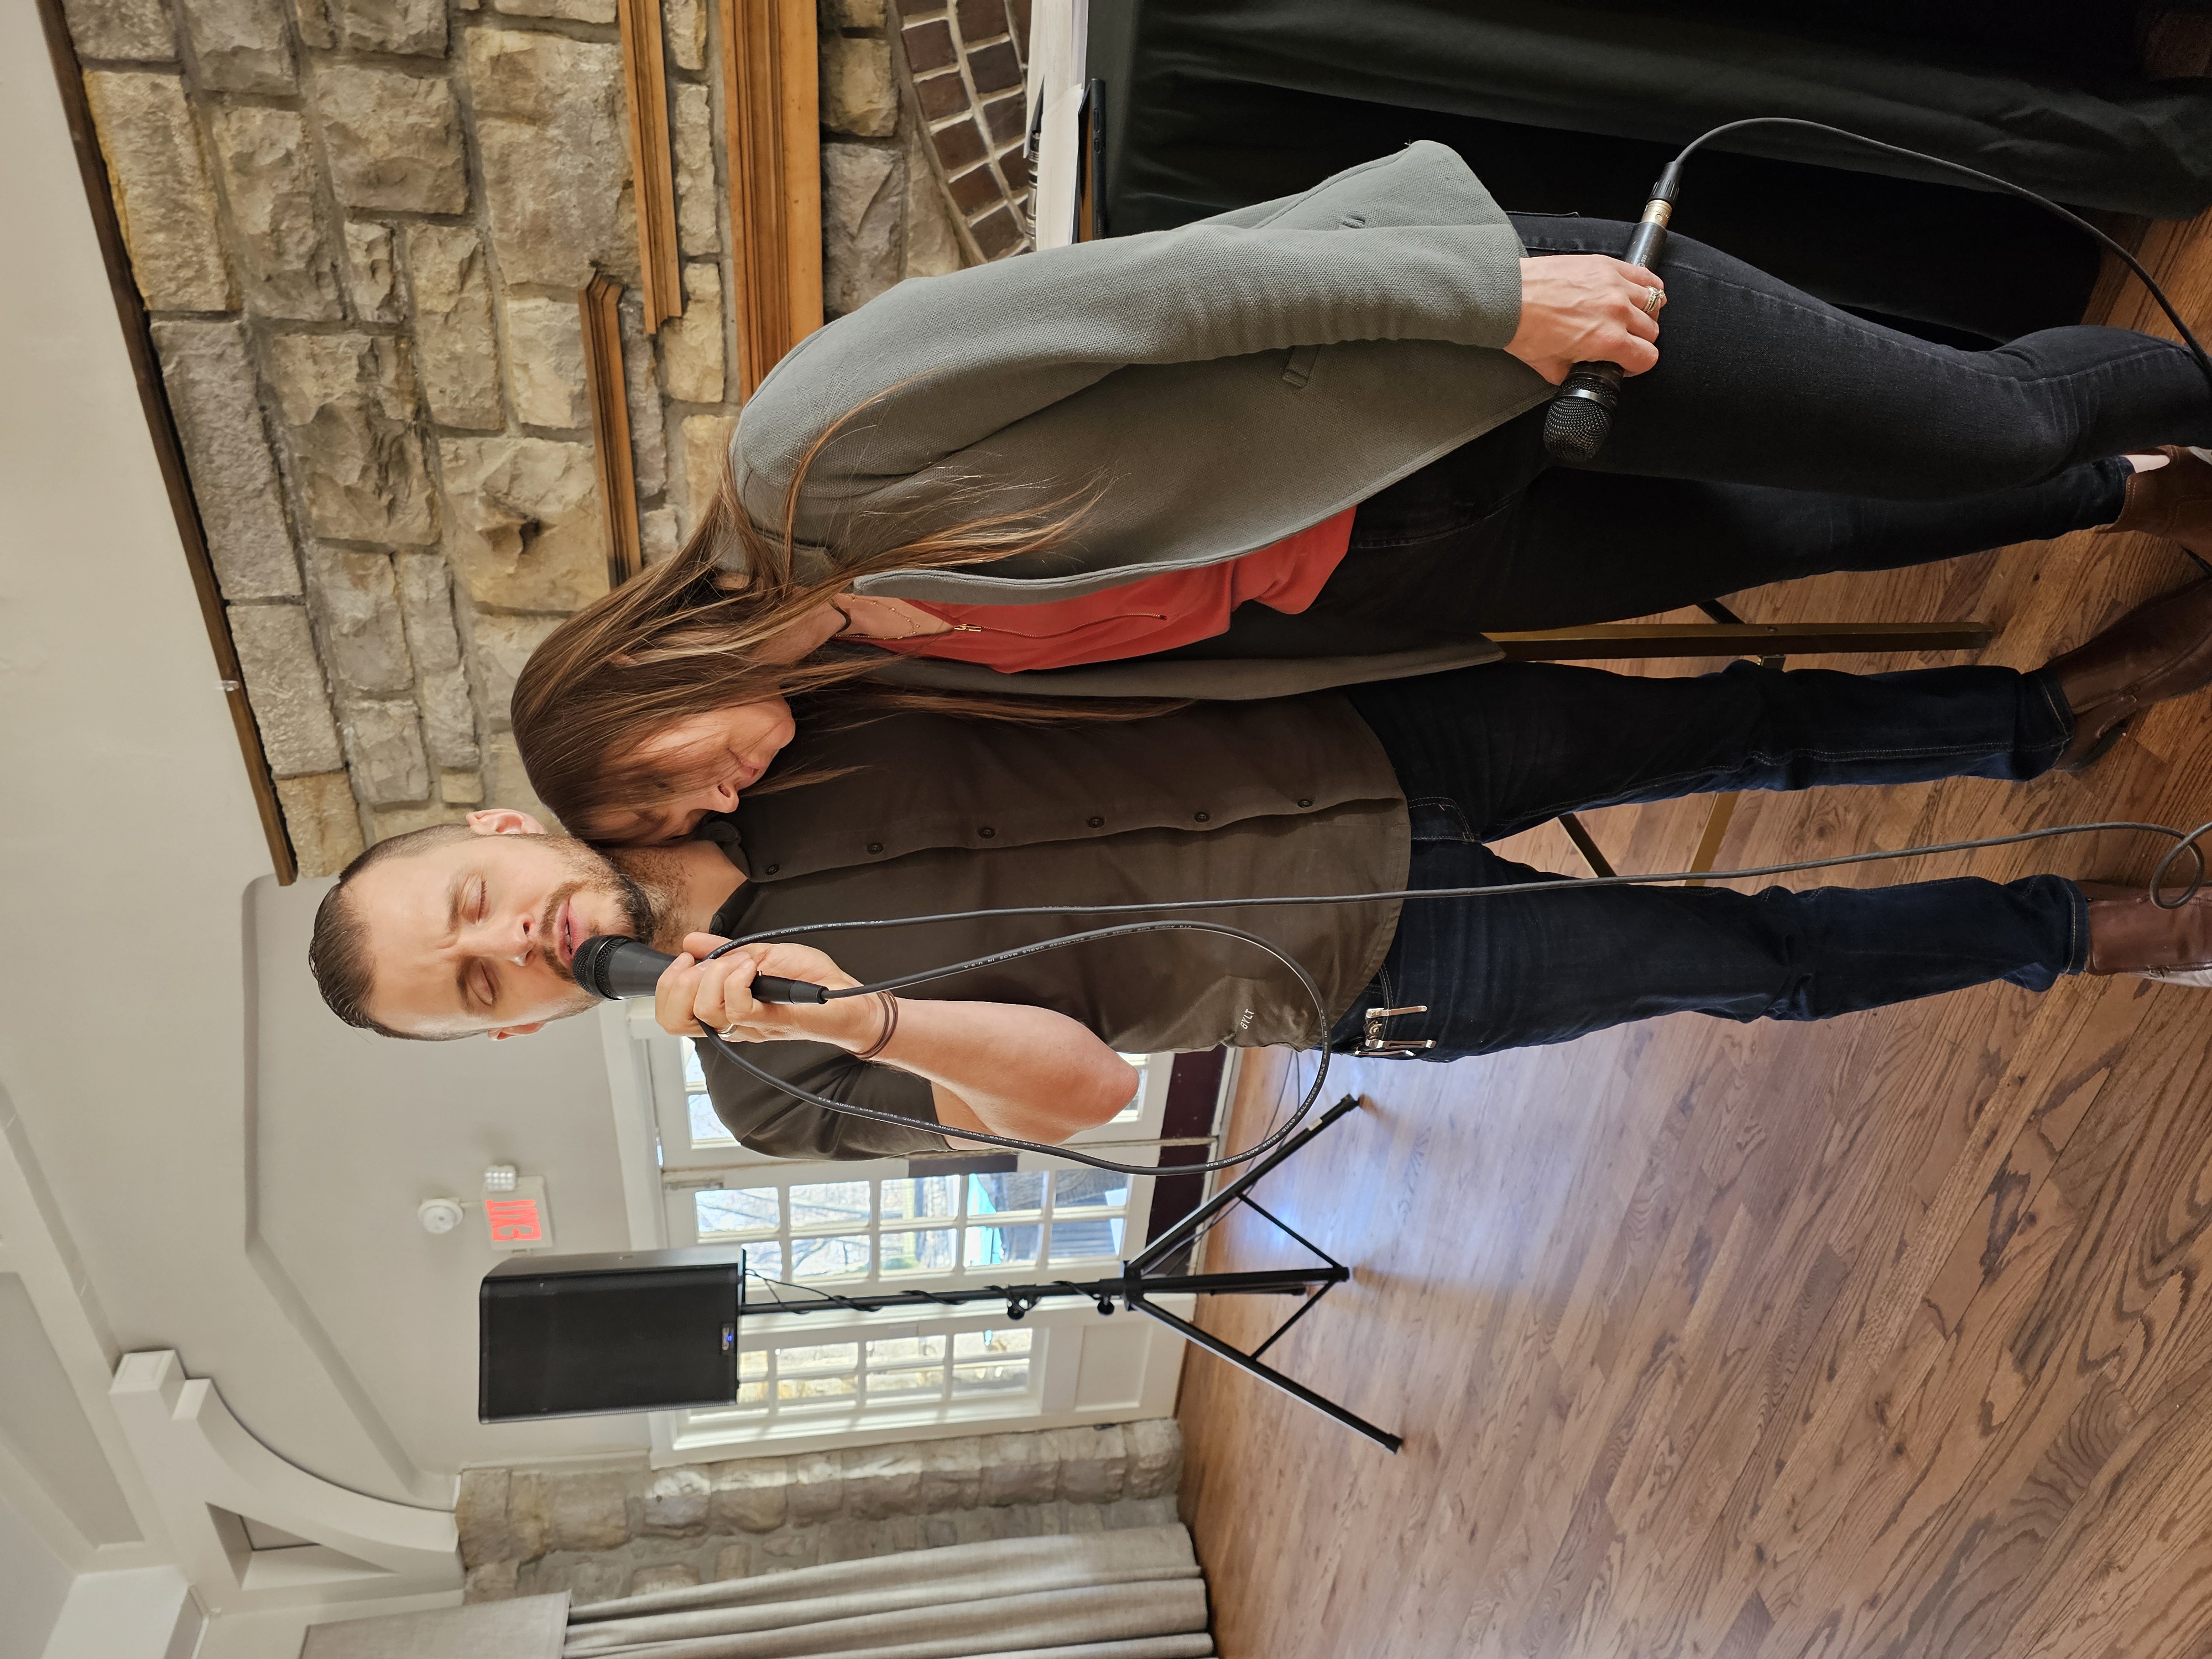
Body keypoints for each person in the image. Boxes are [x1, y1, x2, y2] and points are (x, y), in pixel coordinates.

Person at [511, 140, 2212, 844]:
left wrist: (1496, 300)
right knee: (1814, 534)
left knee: (1976, 427)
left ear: (635, 683)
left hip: (1458, 357)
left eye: (662, 792)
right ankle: (2152, 481)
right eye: (677, 834)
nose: (708, 809)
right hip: (1428, 562)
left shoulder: (803, 450)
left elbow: (1167, 291)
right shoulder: (868, 666)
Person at [314, 588, 2212, 1160]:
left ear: (499, 835)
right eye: (474, 985)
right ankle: (2106, 928)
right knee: (1758, 962)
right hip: (1372, 963)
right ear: (506, 1032)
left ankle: (2043, 715)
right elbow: (1092, 1090)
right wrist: (863, 1012)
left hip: (1366, 733)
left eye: (470, 910)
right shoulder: (771, 1086)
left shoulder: (741, 729)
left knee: (1729, 718)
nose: (513, 945)